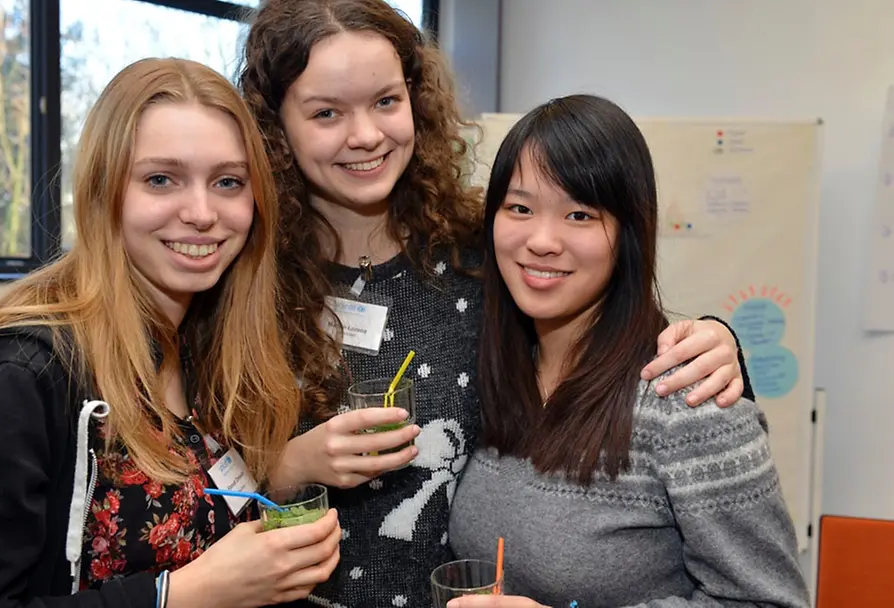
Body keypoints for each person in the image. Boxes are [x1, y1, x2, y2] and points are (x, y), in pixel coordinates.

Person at [239, 1, 751, 605]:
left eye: (385, 101)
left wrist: (720, 341)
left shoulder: (483, 258)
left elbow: (610, 314)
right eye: (327, 112)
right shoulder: (244, 275)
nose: (366, 135)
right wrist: (286, 464)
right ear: (275, 127)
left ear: (416, 101)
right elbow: (186, 487)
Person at [0, 57, 340, 607]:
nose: (201, 212)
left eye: (228, 182)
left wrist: (285, 477)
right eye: (161, 179)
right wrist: (180, 595)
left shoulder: (204, 341)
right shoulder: (22, 373)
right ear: (104, 191)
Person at [446, 95, 809, 607]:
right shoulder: (499, 372)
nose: (542, 240)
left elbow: (769, 601)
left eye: (579, 214)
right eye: (520, 208)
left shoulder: (685, 395)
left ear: (629, 233)